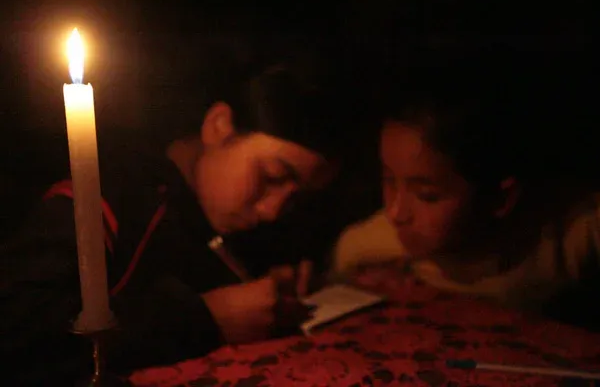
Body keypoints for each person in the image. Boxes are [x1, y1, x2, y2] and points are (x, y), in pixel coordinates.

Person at [0, 55, 350, 385]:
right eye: (272, 176)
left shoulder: (232, 218)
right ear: (219, 125)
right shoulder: (107, 196)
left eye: (296, 198)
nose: (272, 211)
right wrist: (205, 317)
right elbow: (16, 328)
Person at [333, 50, 600, 331]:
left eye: (426, 195)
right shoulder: (372, 244)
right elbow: (342, 265)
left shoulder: (572, 233)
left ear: (500, 198)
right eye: (389, 180)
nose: (395, 212)